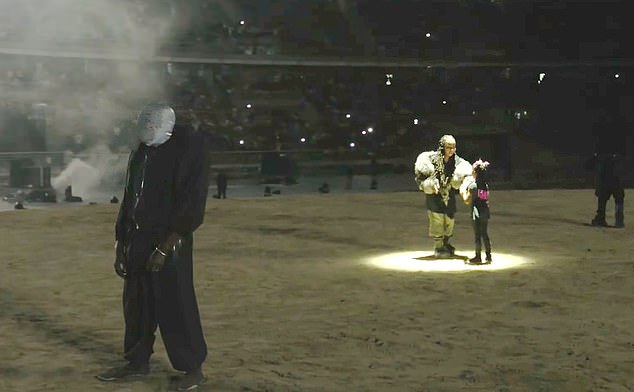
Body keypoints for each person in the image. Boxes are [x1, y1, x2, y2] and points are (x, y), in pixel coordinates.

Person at [97, 104, 209, 391]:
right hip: (136, 238)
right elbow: (129, 197)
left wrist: (165, 248)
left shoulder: (188, 152)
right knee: (136, 304)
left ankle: (192, 368)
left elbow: (192, 205)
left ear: (168, 129)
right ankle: (136, 362)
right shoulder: (141, 151)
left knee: (176, 303)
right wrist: (121, 241)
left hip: (170, 239)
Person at [414, 134, 473, 258]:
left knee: (449, 221)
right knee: (437, 220)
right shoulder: (430, 160)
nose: (451, 150)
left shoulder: (458, 162)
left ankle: (446, 243)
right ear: (442, 147)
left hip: (449, 195)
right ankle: (439, 246)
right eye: (448, 147)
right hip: (434, 195)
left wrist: (464, 188)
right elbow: (421, 178)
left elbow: (467, 175)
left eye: (453, 147)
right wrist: (430, 184)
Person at [462, 159, 493, 264]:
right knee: (485, 234)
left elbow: (467, 200)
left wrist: (463, 192)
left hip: (476, 213)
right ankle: (488, 256)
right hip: (485, 211)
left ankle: (478, 256)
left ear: (475, 172)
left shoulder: (472, 186)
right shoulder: (485, 186)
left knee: (477, 236)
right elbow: (483, 198)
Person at [589, 152, 625, 228]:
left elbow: (598, 170)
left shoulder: (601, 156)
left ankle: (601, 219)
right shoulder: (618, 156)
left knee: (603, 200)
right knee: (618, 200)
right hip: (616, 179)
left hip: (606, 180)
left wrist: (598, 185)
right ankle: (619, 221)